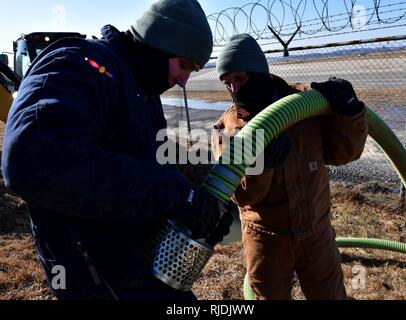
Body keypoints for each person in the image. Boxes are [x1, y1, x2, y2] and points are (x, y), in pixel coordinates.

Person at [2, 0, 234, 300]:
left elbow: (156, 161)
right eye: (184, 65)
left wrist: (205, 199)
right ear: (158, 45)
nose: (183, 79)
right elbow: (31, 162)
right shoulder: (78, 64)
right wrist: (176, 195)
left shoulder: (139, 87)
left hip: (135, 264)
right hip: (93, 274)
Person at [212, 34, 368, 300]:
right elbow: (244, 196)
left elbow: (343, 153)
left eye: (239, 78)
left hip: (316, 230)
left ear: (258, 72)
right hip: (266, 237)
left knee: (329, 294)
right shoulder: (229, 128)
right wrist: (262, 164)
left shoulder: (305, 103)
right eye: (227, 83)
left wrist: (350, 113)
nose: (234, 89)